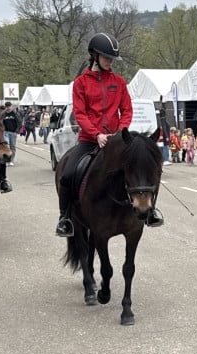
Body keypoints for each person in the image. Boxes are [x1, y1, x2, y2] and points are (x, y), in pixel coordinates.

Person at [56, 33, 163, 236]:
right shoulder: (80, 83)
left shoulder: (119, 82)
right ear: (94, 56)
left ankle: (150, 211)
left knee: (145, 171)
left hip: (116, 141)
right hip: (89, 141)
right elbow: (80, 113)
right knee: (67, 175)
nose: (110, 61)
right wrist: (96, 134)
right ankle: (65, 218)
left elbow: (127, 110)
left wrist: (119, 133)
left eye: (112, 58)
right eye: (106, 57)